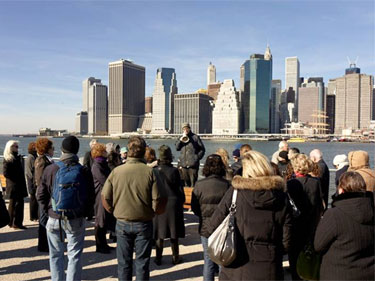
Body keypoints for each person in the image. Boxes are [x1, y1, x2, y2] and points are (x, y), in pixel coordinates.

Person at [208, 151, 292, 280]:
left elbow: (212, 226)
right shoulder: (281, 197)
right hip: (269, 266)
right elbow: (287, 239)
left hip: (235, 265)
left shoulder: (235, 193)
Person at [101, 136, 166, 281]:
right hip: (144, 222)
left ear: (128, 151)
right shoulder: (151, 172)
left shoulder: (117, 171)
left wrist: (113, 211)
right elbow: (160, 199)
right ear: (143, 151)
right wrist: (154, 212)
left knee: (124, 264)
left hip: (122, 221)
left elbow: (105, 197)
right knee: (142, 264)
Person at [37, 136, 94, 281]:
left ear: (62, 150)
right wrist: (86, 213)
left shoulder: (51, 169)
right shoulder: (83, 170)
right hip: (75, 218)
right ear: (77, 150)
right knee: (74, 255)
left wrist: (46, 212)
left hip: (54, 216)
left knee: (55, 255)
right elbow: (90, 196)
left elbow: (40, 195)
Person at [314, 172, 374, 280]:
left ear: (341, 190)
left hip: (338, 273)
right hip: (368, 273)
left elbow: (318, 245)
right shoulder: (372, 211)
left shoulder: (334, 215)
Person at [191, 154, 230, 281]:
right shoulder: (227, 185)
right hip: (223, 227)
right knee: (222, 260)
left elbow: (195, 207)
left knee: (208, 261)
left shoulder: (199, 185)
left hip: (206, 226)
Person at [286, 153, 324, 280]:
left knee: (294, 258)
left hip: (294, 226)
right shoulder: (315, 182)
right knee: (309, 257)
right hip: (310, 226)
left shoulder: (290, 184)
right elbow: (318, 206)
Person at [153, 145, 185, 266]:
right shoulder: (175, 171)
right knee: (174, 232)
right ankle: (175, 257)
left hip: (160, 202)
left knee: (159, 233)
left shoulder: (154, 170)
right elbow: (179, 188)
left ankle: (158, 258)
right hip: (173, 202)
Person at [91, 143, 115, 254]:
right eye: (104, 151)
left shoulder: (102, 164)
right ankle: (100, 245)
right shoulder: (96, 165)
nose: (106, 152)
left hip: (104, 195)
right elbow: (104, 180)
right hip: (100, 196)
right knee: (100, 220)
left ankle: (103, 243)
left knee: (104, 220)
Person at [35, 138, 55, 252]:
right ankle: (43, 245)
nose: (53, 150)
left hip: (46, 193)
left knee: (45, 218)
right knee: (43, 219)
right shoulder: (42, 161)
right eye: (52, 148)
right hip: (44, 194)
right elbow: (40, 180)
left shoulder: (47, 160)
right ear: (47, 149)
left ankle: (45, 243)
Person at [3, 140, 28, 229]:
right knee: (17, 204)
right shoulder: (9, 158)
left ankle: (11, 222)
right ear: (10, 148)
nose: (17, 148)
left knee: (14, 204)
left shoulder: (15, 157)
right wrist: (15, 178)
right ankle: (16, 223)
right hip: (15, 185)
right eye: (15, 146)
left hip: (16, 185)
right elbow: (5, 172)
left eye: (17, 146)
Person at [176, 123, 205, 187]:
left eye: (186, 128)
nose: (185, 130)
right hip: (183, 165)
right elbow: (177, 148)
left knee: (193, 185)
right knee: (185, 185)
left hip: (193, 165)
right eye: (184, 129)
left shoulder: (195, 137)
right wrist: (180, 140)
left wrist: (196, 158)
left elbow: (202, 149)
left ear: (189, 128)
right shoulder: (180, 138)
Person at [25, 141, 38, 221]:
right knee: (33, 198)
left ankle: (34, 215)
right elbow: (31, 171)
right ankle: (33, 216)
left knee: (34, 198)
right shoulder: (31, 157)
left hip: (32, 179)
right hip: (31, 180)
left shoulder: (32, 156)